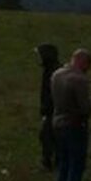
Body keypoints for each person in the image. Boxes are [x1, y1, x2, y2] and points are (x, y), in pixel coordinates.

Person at [51, 49, 91, 181]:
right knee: (76, 163)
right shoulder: (79, 80)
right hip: (74, 124)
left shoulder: (57, 74)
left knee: (63, 161)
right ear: (83, 62)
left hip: (57, 122)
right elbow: (85, 108)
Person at [36, 43, 61, 171]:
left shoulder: (52, 72)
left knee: (48, 136)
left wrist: (46, 110)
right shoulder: (52, 70)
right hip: (53, 111)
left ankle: (49, 162)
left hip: (53, 111)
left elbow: (50, 94)